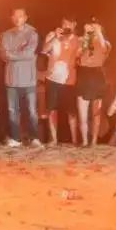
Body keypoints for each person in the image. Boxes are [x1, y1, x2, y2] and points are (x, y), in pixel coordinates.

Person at [0, 8, 41, 147]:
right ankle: (15, 138)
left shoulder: (32, 33)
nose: (18, 19)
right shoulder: (6, 34)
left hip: (28, 78)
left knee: (31, 110)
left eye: (21, 16)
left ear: (26, 17)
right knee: (12, 110)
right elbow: (4, 55)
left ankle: (34, 137)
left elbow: (29, 54)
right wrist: (18, 53)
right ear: (11, 18)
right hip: (11, 78)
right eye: (15, 16)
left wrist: (12, 54)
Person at [43, 16, 80, 146]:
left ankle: (75, 139)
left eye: (69, 23)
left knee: (71, 111)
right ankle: (53, 139)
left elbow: (84, 55)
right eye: (63, 23)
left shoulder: (78, 40)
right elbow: (44, 50)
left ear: (74, 24)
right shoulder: (52, 35)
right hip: (52, 77)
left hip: (69, 80)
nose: (66, 26)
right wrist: (55, 38)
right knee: (52, 109)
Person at [76, 19, 111, 147]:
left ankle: (94, 141)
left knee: (96, 113)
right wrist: (87, 35)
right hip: (84, 74)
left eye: (96, 26)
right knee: (82, 112)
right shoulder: (82, 40)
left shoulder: (105, 42)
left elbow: (103, 50)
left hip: (97, 74)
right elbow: (78, 53)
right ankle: (85, 140)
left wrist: (98, 32)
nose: (93, 28)